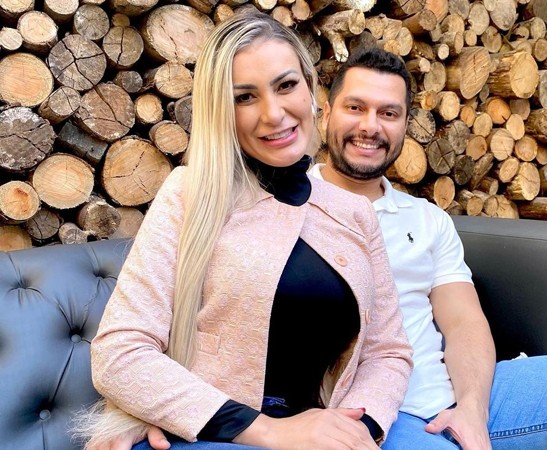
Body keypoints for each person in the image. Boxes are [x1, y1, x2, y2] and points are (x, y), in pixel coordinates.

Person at [78, 15, 412, 450]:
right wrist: (270, 430)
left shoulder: (354, 213)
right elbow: (120, 352)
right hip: (221, 434)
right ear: (222, 110)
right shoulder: (189, 193)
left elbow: (388, 352)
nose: (274, 114)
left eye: (286, 85)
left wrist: (356, 430)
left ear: (311, 89)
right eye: (245, 97)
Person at [310, 47, 547, 450]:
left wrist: (472, 410)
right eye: (355, 107)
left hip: (468, 391)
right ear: (326, 114)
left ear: (405, 125)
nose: (370, 126)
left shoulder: (427, 219)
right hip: (378, 415)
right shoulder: (287, 209)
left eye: (388, 113)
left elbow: (463, 324)